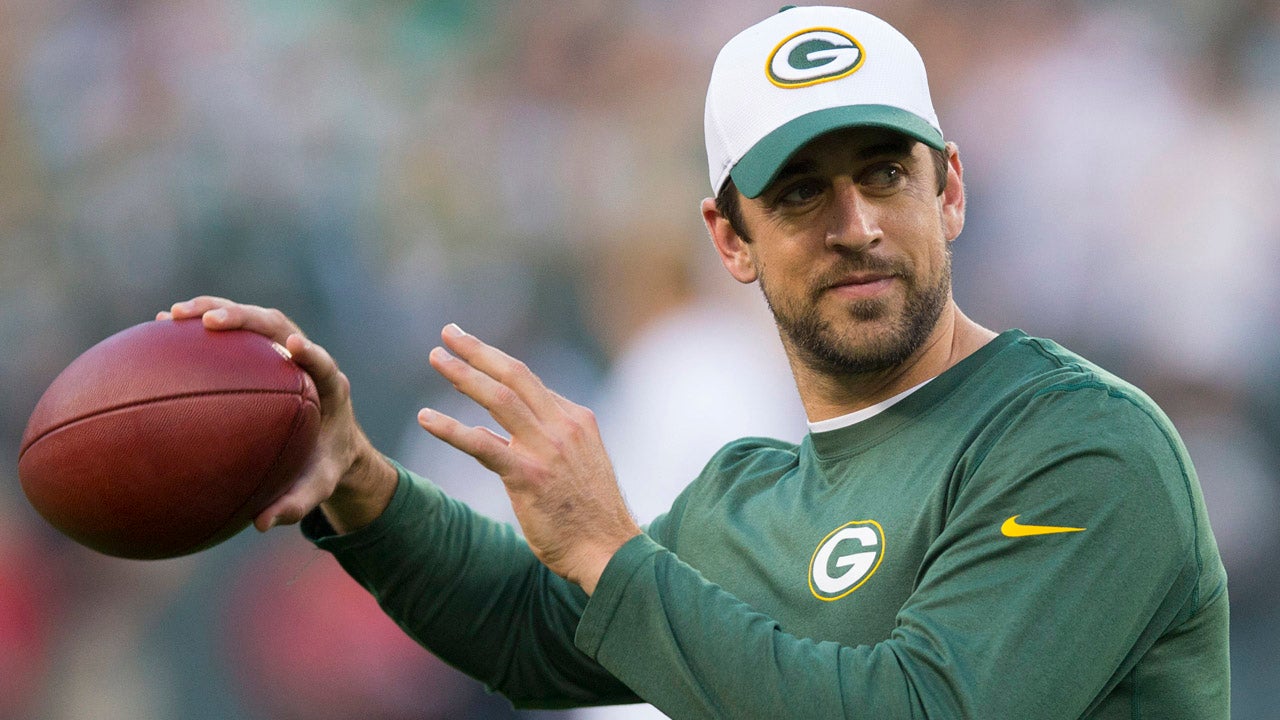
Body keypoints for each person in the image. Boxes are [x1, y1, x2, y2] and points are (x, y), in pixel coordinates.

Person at [158, 6, 1230, 718]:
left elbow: (924, 708)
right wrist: (358, 484)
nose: (854, 223)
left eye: (883, 173)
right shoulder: (751, 495)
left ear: (946, 189)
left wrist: (610, 553)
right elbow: (535, 631)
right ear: (728, 239)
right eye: (800, 191)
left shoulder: (1080, 442)